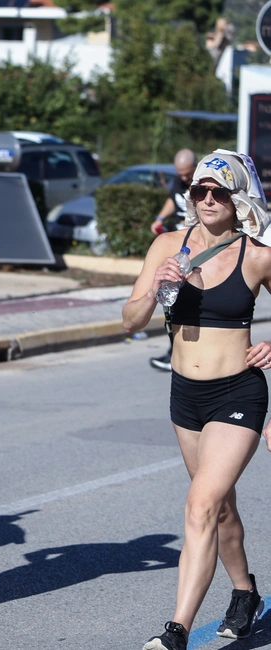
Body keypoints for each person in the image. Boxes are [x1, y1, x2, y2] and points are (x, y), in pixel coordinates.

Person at [123, 150, 271, 650]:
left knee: (200, 505)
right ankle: (245, 592)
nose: (207, 199)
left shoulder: (257, 254)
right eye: (199, 191)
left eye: (219, 192)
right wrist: (156, 287)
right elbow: (129, 320)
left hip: (239, 392)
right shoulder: (167, 245)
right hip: (185, 396)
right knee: (219, 508)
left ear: (237, 199)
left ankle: (176, 631)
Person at [149, 149, 197, 372]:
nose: (184, 178)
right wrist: (160, 218)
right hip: (178, 245)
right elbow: (173, 199)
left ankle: (176, 354)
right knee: (170, 296)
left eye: (187, 173)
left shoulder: (202, 185)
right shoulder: (179, 181)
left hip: (194, 246)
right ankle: (173, 352)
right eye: (181, 174)